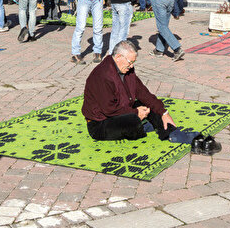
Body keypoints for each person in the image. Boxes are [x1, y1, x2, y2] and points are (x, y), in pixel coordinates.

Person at [81, 41, 219, 154]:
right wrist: (136, 113)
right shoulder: (103, 75)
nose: (131, 66)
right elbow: (109, 110)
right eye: (130, 62)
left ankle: (172, 134)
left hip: (120, 111)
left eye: (133, 62)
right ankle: (145, 125)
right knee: (133, 119)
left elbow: (143, 93)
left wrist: (164, 113)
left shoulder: (126, 69)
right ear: (118, 57)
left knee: (148, 105)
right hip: (100, 124)